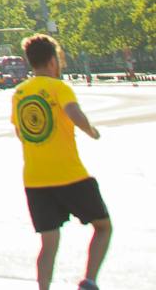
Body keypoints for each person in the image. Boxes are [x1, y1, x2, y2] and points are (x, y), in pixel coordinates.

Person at [12, 33, 109, 290]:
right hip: (70, 175)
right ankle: (89, 281)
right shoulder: (59, 87)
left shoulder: (19, 93)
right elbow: (73, 112)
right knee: (103, 227)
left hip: (35, 179)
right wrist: (91, 131)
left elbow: (21, 132)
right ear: (53, 60)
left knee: (49, 242)